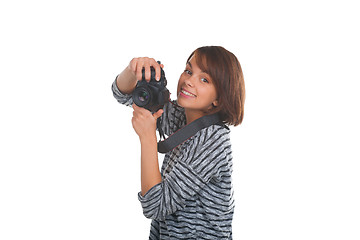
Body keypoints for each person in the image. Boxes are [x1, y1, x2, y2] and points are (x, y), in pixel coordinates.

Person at [112, 46, 245, 239]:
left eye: (204, 79)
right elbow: (123, 94)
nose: (189, 81)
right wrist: (133, 71)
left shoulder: (211, 140)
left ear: (219, 98)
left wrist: (147, 138)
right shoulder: (183, 117)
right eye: (189, 71)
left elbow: (155, 205)